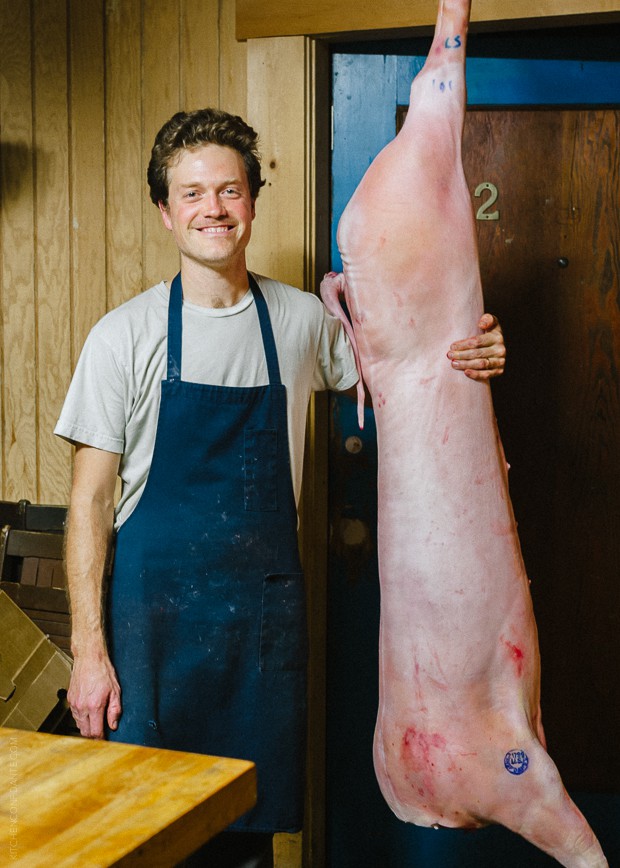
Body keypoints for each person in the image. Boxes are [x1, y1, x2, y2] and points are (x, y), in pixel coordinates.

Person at [55, 107, 506, 867]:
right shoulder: (123, 337)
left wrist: (478, 348)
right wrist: (89, 652)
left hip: (259, 635)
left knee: (248, 845)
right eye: (192, 194)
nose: (214, 209)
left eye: (229, 190)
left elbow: (417, 367)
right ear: (165, 213)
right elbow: (89, 505)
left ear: (253, 202)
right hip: (149, 637)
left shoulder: (303, 323)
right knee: (136, 833)